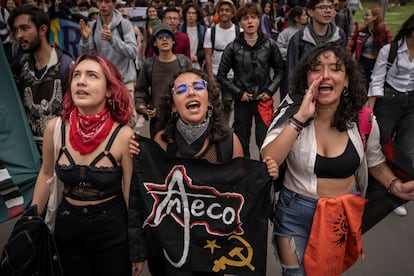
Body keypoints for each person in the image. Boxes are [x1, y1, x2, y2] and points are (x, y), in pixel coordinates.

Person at [261, 43, 414, 275]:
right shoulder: (291, 110)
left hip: (339, 217)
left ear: (347, 80)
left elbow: (374, 160)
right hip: (293, 214)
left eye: (335, 68)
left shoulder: (363, 119)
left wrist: (395, 185)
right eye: (316, 68)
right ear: (306, 78)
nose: (325, 75)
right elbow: (269, 157)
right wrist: (300, 118)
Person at [129, 68, 278, 276]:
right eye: (181, 89)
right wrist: (140, 155)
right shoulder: (162, 140)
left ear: (209, 100)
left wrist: (266, 174)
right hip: (173, 251)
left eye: (198, 87)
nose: (191, 92)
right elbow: (146, 196)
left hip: (211, 252)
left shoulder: (228, 141)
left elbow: (244, 194)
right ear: (172, 106)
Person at [31, 53, 139, 276]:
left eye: (92, 76)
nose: (81, 81)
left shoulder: (124, 136)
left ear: (109, 89)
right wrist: (31, 220)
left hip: (112, 232)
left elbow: (130, 194)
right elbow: (45, 174)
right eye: (77, 75)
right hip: (66, 230)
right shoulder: (55, 128)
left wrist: (137, 245)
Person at [217, 2, 284, 158]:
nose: (250, 22)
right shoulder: (233, 47)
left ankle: (263, 173)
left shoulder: (269, 44)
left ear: (259, 20)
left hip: (263, 100)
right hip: (243, 101)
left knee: (264, 140)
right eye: (245, 19)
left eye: (253, 17)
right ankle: (244, 172)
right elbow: (221, 75)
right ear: (239, 23)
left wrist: (269, 90)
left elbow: (280, 70)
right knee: (241, 140)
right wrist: (238, 93)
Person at [9, 5, 73, 153]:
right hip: (30, 155)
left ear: (42, 30)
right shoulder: (20, 66)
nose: (19, 35)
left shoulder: (66, 67)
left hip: (63, 153)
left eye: (25, 28)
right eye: (16, 30)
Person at [367, 15, 414, 217]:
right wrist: (369, 111)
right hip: (388, 101)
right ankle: (375, 191)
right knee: (380, 149)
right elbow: (376, 80)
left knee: (406, 151)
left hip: (411, 104)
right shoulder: (390, 50)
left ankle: (395, 197)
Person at [79, 0, 138, 126]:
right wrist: (84, 40)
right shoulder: (93, 26)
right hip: (104, 83)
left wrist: (113, 40)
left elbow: (133, 52)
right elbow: (88, 57)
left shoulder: (124, 24)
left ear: (114, 4)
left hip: (125, 81)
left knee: (129, 122)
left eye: (107, 1)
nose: (103, 5)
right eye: (100, 2)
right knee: (104, 123)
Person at [135, 23, 192, 138]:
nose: (164, 39)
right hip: (158, 121)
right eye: (160, 37)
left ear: (173, 41)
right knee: (158, 152)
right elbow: (140, 91)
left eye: (168, 36)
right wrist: (142, 107)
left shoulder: (183, 62)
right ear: (155, 43)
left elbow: (193, 87)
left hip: (183, 118)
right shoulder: (149, 64)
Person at [285, 0, 347, 94]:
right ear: (311, 12)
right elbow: (291, 72)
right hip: (306, 94)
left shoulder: (339, 36)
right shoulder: (299, 38)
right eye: (322, 7)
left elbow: (343, 67)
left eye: (331, 7)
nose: (328, 11)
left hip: (331, 92)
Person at [203, 0, 239, 124]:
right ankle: (214, 129)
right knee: (213, 105)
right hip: (215, 72)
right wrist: (211, 78)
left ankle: (225, 129)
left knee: (228, 103)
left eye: (227, 10)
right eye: (222, 10)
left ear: (232, 13)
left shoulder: (238, 32)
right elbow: (208, 55)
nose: (224, 13)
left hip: (232, 75)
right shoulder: (210, 31)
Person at [347, 6, 392, 90]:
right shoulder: (361, 32)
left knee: (375, 87)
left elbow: (391, 47)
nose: (364, 17)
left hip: (377, 64)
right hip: (362, 64)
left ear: (375, 17)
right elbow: (351, 47)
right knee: (361, 87)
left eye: (367, 15)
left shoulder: (384, 31)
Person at [276, 5, 307, 100]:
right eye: (304, 15)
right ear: (297, 18)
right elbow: (278, 49)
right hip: (288, 68)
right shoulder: (286, 33)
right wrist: (292, 52)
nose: (306, 17)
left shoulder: (307, 32)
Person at [178, 3, 206, 69]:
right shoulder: (180, 29)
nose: (191, 15)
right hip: (182, 65)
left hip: (198, 65)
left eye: (193, 13)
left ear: (197, 15)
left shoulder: (203, 30)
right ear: (185, 14)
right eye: (189, 13)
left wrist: (198, 56)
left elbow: (205, 49)